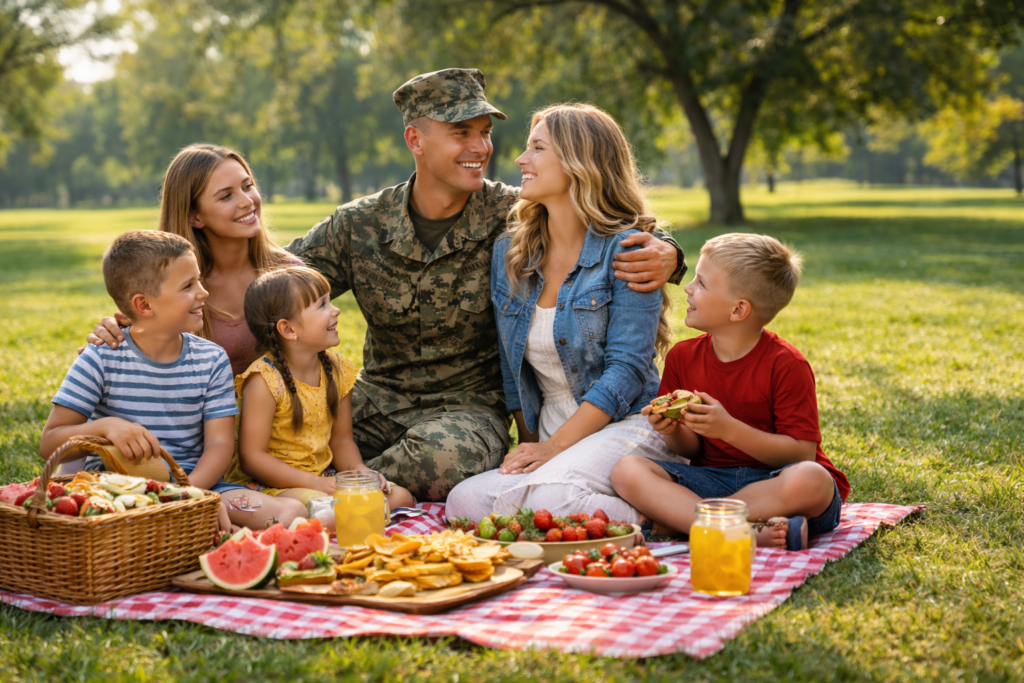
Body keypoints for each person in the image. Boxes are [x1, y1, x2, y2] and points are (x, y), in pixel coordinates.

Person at [90, 68, 686, 501]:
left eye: (485, 131)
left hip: (465, 410)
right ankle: (325, 487)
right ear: (416, 140)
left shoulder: (516, 216)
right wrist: (137, 322)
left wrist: (670, 255)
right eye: (461, 132)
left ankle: (327, 492)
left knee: (449, 458)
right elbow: (272, 287)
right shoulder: (361, 224)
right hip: (374, 402)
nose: (481, 147)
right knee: (275, 428)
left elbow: (598, 225)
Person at [445, 103, 688, 523]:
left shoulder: (630, 250)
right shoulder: (511, 251)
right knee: (464, 502)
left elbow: (627, 371)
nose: (521, 160)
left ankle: (666, 510)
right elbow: (512, 368)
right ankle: (635, 509)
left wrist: (553, 450)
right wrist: (532, 445)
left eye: (537, 148)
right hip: (554, 430)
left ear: (580, 163)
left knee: (546, 500)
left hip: (624, 423)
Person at [610, 233, 850, 550]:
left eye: (702, 283)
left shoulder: (787, 364)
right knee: (628, 470)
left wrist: (728, 429)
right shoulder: (683, 356)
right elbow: (693, 450)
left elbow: (801, 453)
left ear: (738, 310)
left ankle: (699, 523)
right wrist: (671, 430)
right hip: (714, 480)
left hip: (776, 484)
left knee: (812, 479)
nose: (688, 288)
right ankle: (746, 531)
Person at [39, 230, 249, 530]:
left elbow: (219, 444)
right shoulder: (100, 358)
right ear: (145, 306)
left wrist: (186, 494)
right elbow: (50, 443)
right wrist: (106, 427)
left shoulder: (212, 359)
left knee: (285, 512)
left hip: (198, 484)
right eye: (188, 286)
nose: (203, 292)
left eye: (198, 280)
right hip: (116, 492)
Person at [228, 266, 414, 512]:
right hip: (278, 485)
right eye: (322, 305)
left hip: (324, 478)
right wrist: (315, 483)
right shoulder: (264, 381)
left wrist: (359, 472)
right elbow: (253, 459)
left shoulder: (336, 370)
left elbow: (342, 441)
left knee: (400, 497)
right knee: (325, 508)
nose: (336, 310)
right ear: (289, 329)